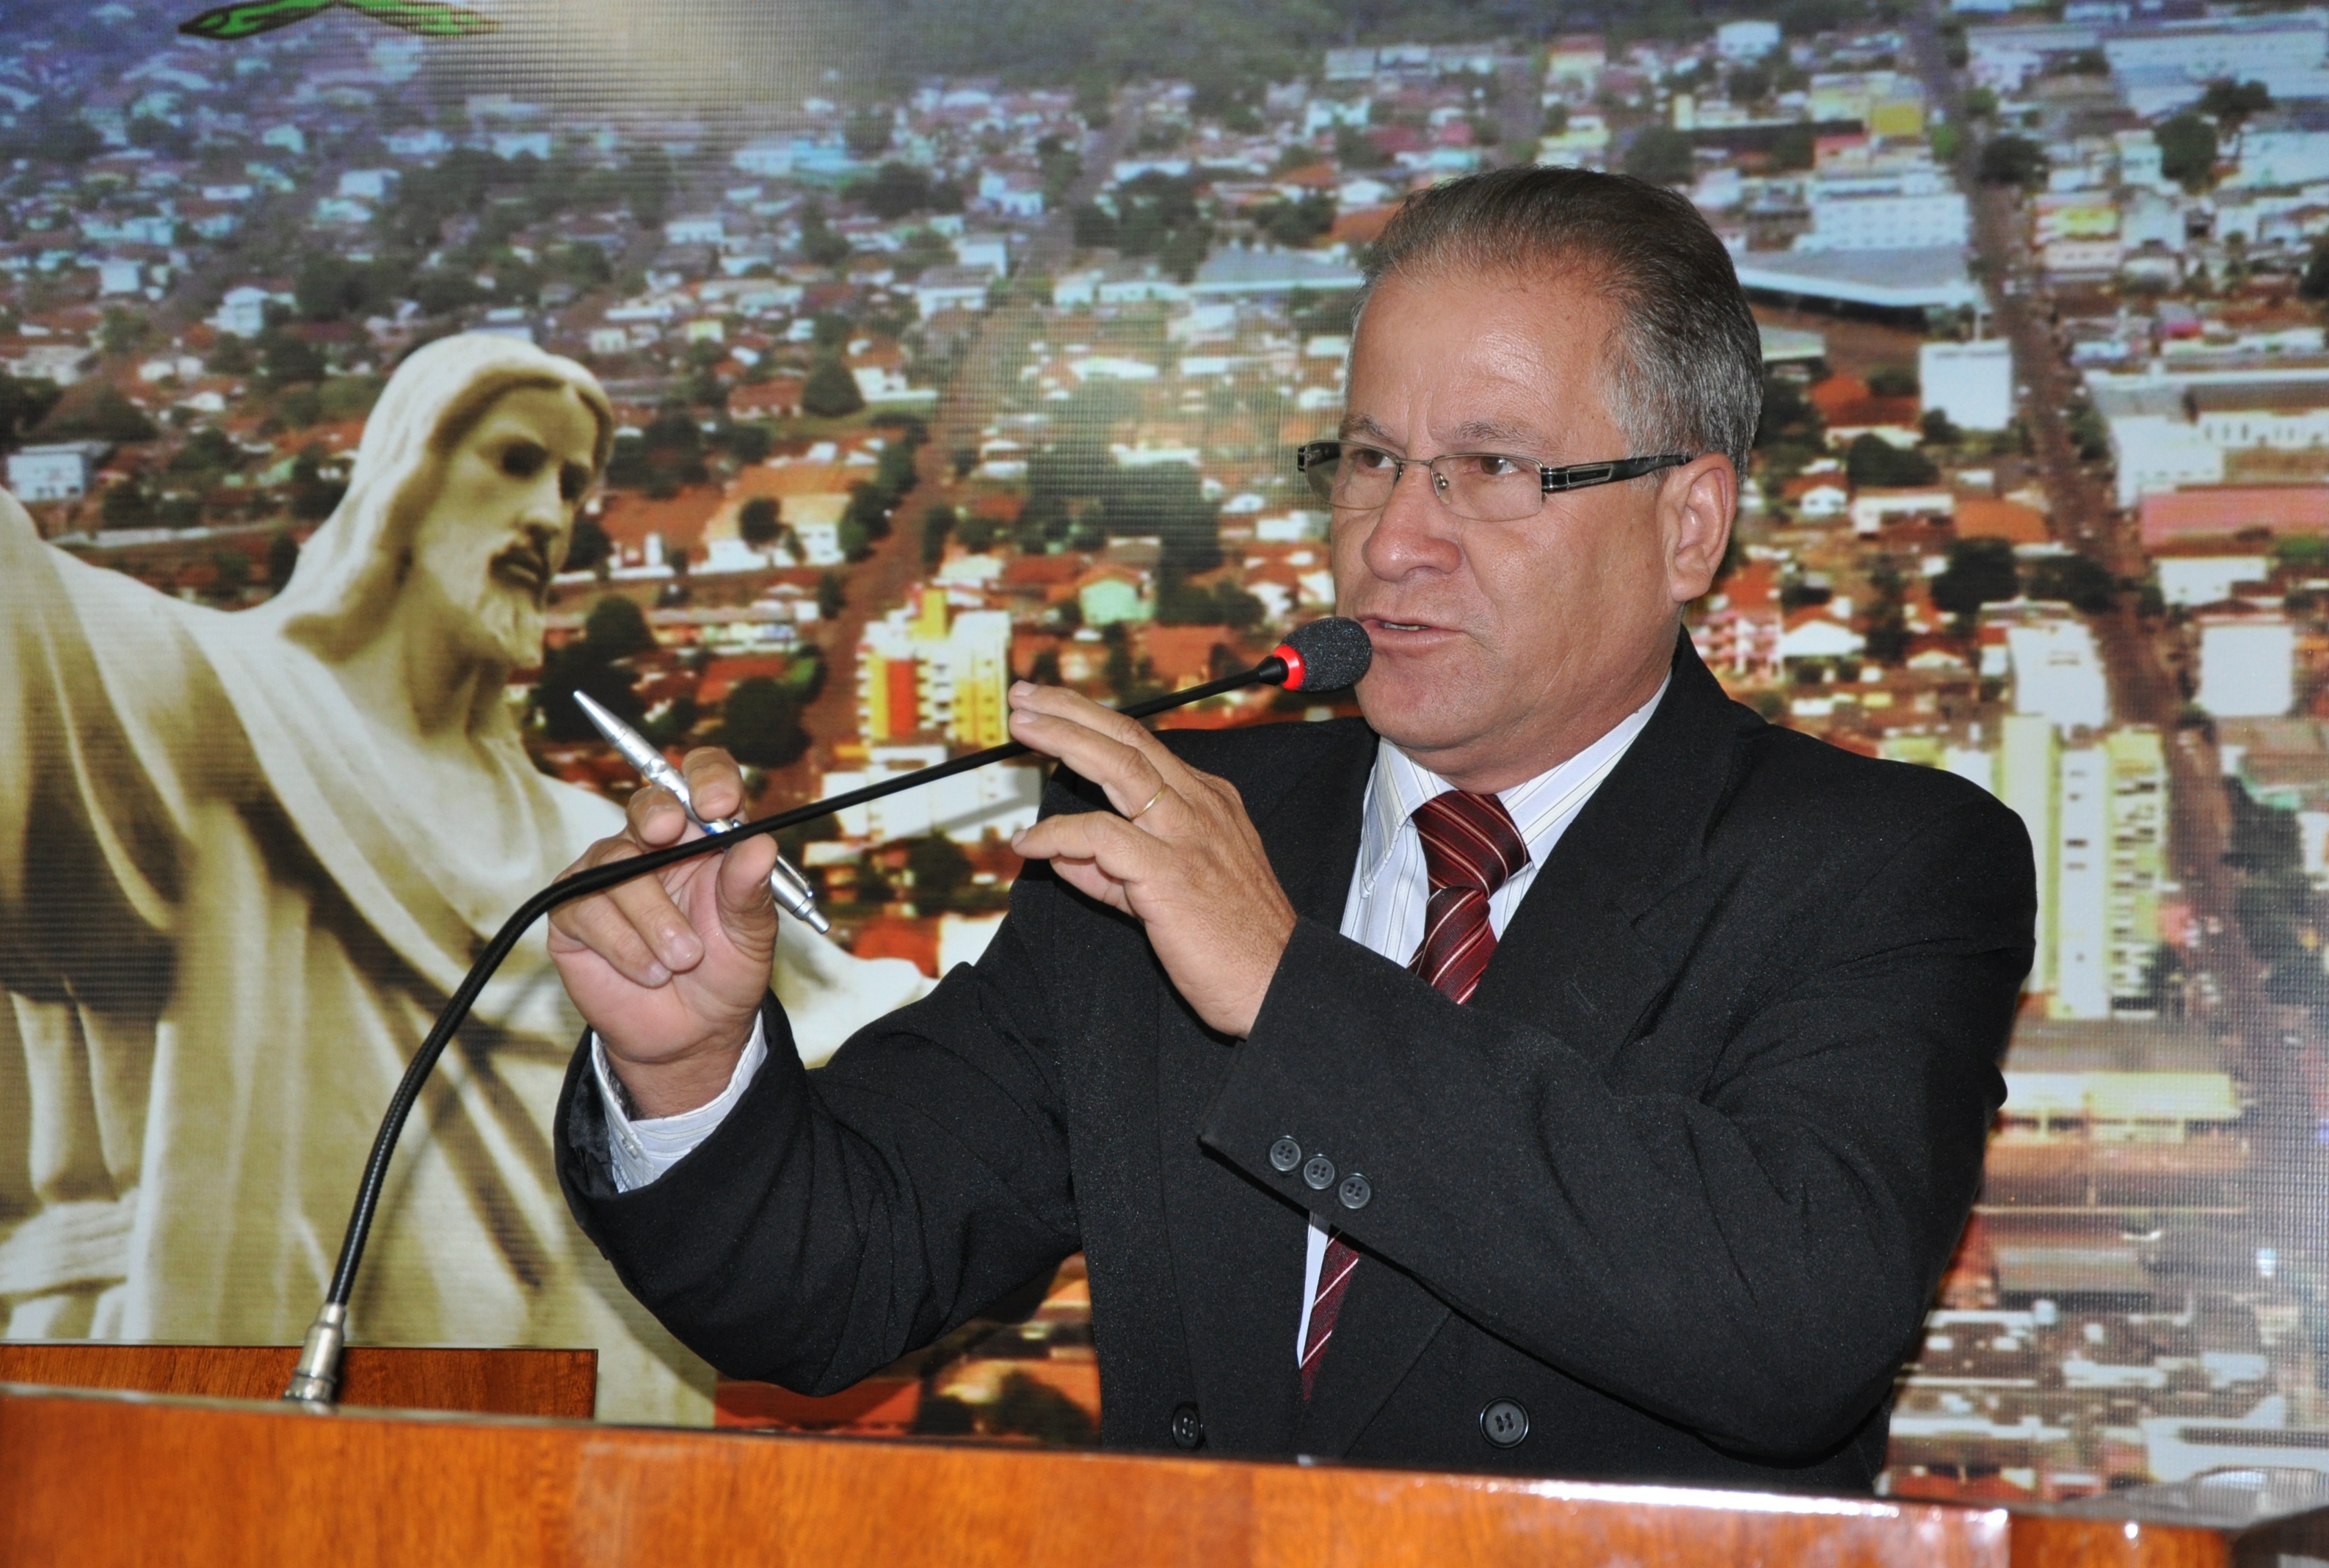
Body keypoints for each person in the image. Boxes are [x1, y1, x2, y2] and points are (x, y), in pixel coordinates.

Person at [550, 168, 2035, 1484]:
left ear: (1689, 524)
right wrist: (684, 1066)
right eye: (1371, 459)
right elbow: (840, 1282)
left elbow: (1790, 1324)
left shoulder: (1878, 863)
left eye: (1493, 469)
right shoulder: (1175, 832)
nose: (1394, 538)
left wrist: (1284, 990)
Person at [0, 333, 927, 1423]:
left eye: (575, 486)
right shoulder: (205, 697)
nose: (551, 515)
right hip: (213, 1418)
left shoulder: (594, 848)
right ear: (405, 471)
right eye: (515, 462)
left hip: (552, 1442)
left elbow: (883, 1031)